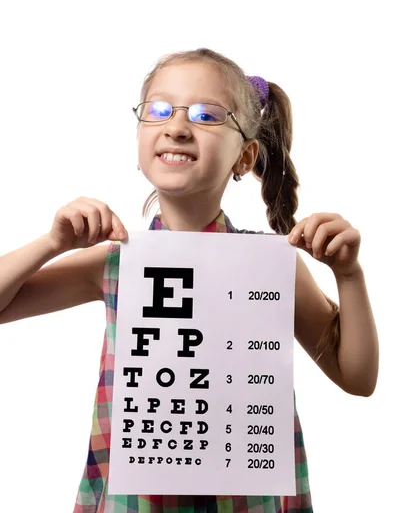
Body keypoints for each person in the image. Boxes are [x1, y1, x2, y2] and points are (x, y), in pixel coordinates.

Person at [0, 47, 379, 513]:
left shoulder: (272, 266)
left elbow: (358, 378)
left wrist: (349, 274)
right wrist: (51, 243)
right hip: (137, 499)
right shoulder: (114, 264)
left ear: (245, 157)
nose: (177, 126)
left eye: (206, 115)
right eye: (159, 110)